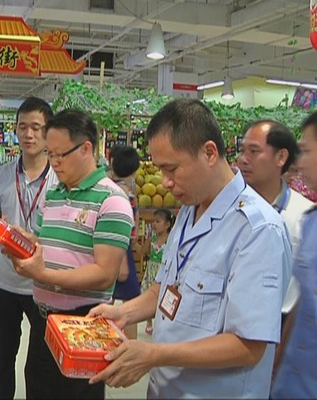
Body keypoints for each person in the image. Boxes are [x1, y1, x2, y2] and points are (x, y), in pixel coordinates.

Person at [87, 98, 292, 398]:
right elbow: (166, 289)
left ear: (209, 152)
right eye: (160, 170)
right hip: (167, 387)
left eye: (172, 169)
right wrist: (125, 313)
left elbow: (248, 346)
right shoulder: (188, 209)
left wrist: (154, 354)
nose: (165, 182)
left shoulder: (258, 230)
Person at [7, 109, 134, 399]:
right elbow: (43, 242)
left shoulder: (112, 201)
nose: (53, 162)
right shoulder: (53, 194)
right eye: (50, 154)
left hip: (83, 327)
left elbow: (104, 275)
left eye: (60, 155)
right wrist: (22, 242)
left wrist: (42, 275)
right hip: (43, 323)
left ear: (86, 148)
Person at [0, 97, 58, 399]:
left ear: (48, 133)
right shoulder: (2, 175)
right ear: (15, 130)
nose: (28, 134)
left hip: (43, 286)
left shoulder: (60, 180)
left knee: (39, 365)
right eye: (23, 127)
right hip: (4, 284)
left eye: (36, 128)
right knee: (3, 357)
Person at [238, 120, 313, 316]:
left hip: (283, 322)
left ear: (281, 157)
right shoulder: (230, 211)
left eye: (253, 151)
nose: (243, 159)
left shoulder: (303, 215)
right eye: (242, 150)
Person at [271, 111, 317, 399]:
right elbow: (303, 306)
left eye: (307, 150)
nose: (299, 163)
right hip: (291, 386)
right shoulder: (310, 223)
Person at [108, 144, 141, 340]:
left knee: (107, 297)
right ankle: (131, 343)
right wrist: (122, 261)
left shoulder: (117, 187)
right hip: (120, 249)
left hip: (117, 247)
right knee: (131, 300)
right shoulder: (121, 192)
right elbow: (116, 227)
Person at [140, 208, 173, 335]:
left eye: (158, 221)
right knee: (148, 294)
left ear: (167, 225)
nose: (154, 224)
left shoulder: (170, 241)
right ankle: (149, 322)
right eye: (154, 221)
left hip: (163, 272)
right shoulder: (152, 239)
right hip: (151, 271)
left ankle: (162, 321)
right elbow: (143, 251)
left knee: (162, 297)